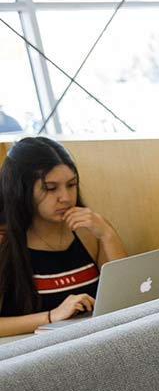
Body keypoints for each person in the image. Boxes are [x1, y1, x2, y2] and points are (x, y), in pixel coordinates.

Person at [0, 136, 128, 336]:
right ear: (21, 191)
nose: (66, 198)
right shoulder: (5, 241)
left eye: (71, 185)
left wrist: (108, 235)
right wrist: (51, 316)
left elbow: (127, 297)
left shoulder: (87, 231)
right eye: (50, 189)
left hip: (93, 341)